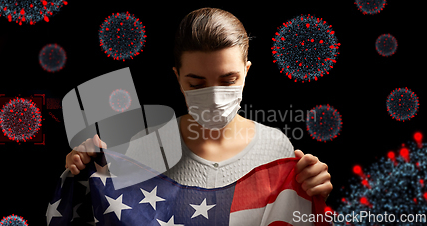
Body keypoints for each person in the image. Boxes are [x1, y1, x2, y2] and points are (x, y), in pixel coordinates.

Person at [65, 7, 331, 200]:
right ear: (177, 77)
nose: (214, 98)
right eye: (197, 84)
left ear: (246, 72)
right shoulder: (146, 146)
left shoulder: (275, 148)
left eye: (228, 81)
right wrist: (86, 163)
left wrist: (313, 196)